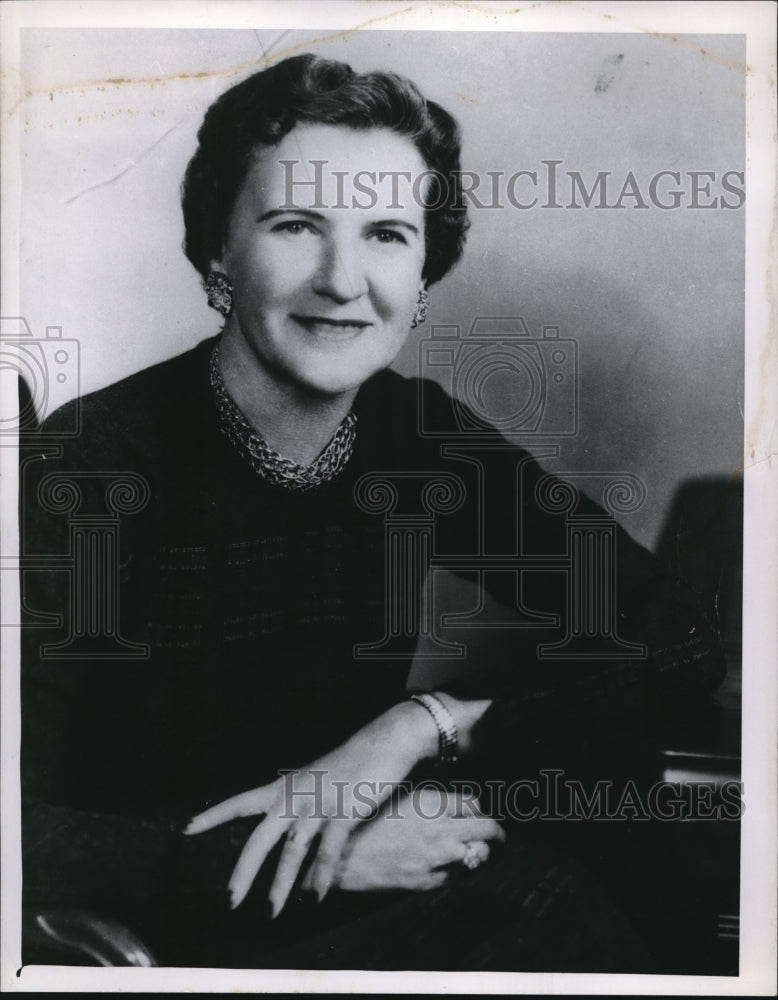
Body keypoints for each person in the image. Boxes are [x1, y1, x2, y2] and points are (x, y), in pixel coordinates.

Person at [20, 53, 725, 971]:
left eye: (386, 233)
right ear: (216, 252)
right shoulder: (92, 463)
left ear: (425, 272)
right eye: (296, 225)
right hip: (161, 927)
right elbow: (16, 825)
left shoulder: (415, 433)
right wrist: (325, 858)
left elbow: (677, 637)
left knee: (604, 884)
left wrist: (418, 729)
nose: (343, 280)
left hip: (359, 892)